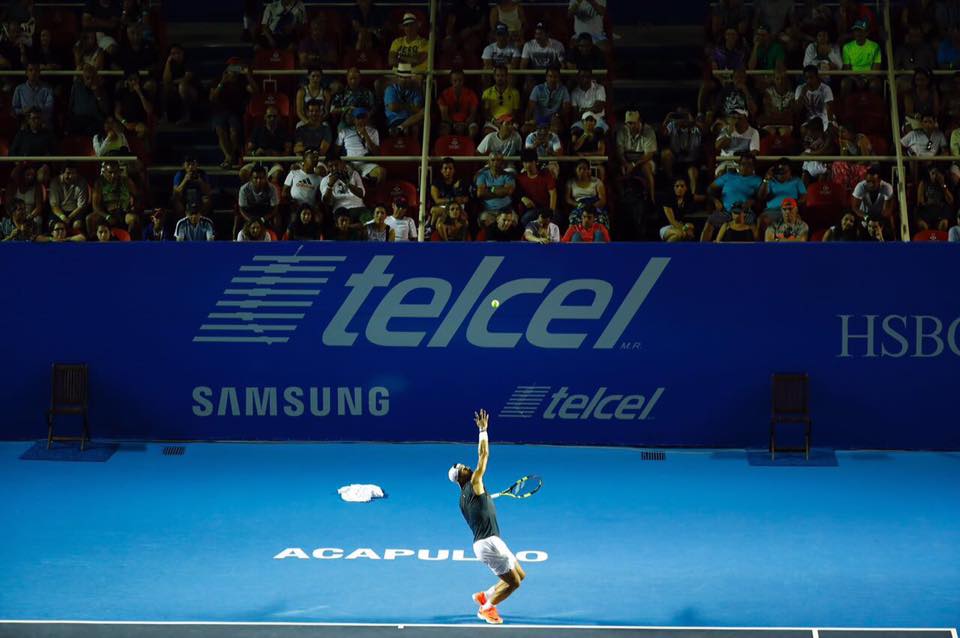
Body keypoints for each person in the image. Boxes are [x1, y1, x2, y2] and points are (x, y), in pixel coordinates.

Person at [211, 59, 258, 168]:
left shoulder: (242, 81)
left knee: (234, 132)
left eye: (236, 68)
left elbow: (255, 91)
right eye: (231, 68)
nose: (233, 70)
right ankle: (229, 157)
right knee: (220, 129)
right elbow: (212, 98)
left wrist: (248, 76)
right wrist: (222, 83)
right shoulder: (219, 79)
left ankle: (231, 157)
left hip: (235, 112)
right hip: (219, 111)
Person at [320, 149, 370, 223]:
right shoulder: (325, 180)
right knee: (345, 223)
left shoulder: (353, 173)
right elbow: (326, 202)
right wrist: (330, 185)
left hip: (359, 208)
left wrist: (347, 182)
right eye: (331, 166)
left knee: (370, 222)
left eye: (336, 165)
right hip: (341, 210)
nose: (334, 168)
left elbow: (361, 194)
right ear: (327, 168)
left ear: (341, 164)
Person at [616, 110, 657, 199]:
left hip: (643, 161)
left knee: (646, 168)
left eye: (633, 123)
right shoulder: (622, 131)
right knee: (617, 170)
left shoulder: (648, 130)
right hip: (627, 161)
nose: (631, 126)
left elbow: (649, 154)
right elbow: (620, 152)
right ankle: (623, 199)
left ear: (639, 121)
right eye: (629, 123)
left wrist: (634, 165)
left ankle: (651, 199)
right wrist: (625, 164)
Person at [516, 148, 557, 223]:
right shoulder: (520, 177)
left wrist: (551, 211)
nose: (528, 165)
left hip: (546, 208)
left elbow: (553, 193)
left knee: (557, 218)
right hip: (532, 210)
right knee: (525, 218)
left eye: (531, 161)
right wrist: (523, 198)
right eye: (525, 162)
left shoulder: (546, 175)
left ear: (536, 162)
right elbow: (516, 193)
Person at [384, 63, 424, 138]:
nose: (405, 80)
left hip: (411, 119)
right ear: (397, 78)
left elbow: (418, 108)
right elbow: (393, 107)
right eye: (402, 77)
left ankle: (400, 128)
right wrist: (410, 106)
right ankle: (400, 128)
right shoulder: (391, 89)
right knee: (410, 128)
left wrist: (401, 106)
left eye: (407, 78)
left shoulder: (415, 90)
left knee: (424, 112)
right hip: (395, 119)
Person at [475, 152, 516, 226]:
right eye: (493, 160)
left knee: (514, 221)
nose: (495, 163)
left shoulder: (508, 176)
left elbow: (508, 191)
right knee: (484, 220)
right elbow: (480, 193)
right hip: (489, 211)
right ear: (488, 162)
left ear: (502, 162)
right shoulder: (482, 175)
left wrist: (490, 189)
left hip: (507, 210)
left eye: (498, 160)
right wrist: (501, 190)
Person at [438, 69, 479, 139]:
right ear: (451, 81)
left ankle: (467, 147)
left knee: (473, 129)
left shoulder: (471, 93)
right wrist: (454, 124)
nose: (458, 83)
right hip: (449, 122)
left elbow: (473, 114)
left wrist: (465, 124)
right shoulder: (444, 94)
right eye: (455, 81)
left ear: (464, 81)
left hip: (466, 122)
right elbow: (444, 116)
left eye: (460, 80)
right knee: (443, 129)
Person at [49, 165, 90, 234]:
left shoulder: (82, 182)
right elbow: (54, 205)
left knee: (77, 225)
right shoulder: (55, 182)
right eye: (68, 173)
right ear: (62, 173)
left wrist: (69, 218)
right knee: (55, 227)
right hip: (60, 211)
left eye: (73, 173)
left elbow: (81, 206)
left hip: (75, 211)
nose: (70, 176)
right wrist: (63, 217)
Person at [11, 61, 54, 126]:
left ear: (39, 73)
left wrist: (36, 110)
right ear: (26, 73)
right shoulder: (19, 89)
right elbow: (14, 109)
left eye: (36, 70)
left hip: (43, 124)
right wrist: (23, 111)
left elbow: (49, 108)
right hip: (25, 124)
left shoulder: (47, 89)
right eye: (31, 70)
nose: (33, 73)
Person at [481, 65, 521, 134]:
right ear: (494, 76)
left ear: (506, 77)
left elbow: (515, 112)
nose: (500, 78)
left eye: (502, 75)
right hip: (493, 122)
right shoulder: (487, 93)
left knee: (512, 132)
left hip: (509, 121)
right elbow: (486, 113)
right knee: (487, 132)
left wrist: (506, 121)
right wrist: (495, 121)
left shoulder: (515, 93)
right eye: (498, 75)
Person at [659, 178, 698, 242]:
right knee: (679, 234)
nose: (679, 188)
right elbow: (672, 221)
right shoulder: (668, 199)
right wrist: (684, 228)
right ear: (674, 188)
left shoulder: (687, 199)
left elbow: (702, 197)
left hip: (679, 225)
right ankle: (664, 251)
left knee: (690, 228)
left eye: (682, 186)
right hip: (666, 227)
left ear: (686, 188)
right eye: (677, 186)